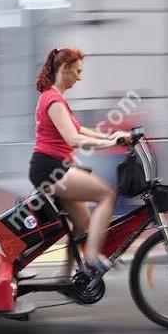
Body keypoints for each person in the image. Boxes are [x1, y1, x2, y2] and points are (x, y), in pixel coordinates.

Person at [29, 47, 130, 275]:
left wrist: (110, 137)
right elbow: (73, 138)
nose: (80, 77)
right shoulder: (53, 100)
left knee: (82, 223)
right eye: (77, 71)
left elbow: (80, 129)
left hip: (53, 167)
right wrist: (111, 144)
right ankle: (92, 257)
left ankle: (64, 276)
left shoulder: (54, 98)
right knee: (106, 195)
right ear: (64, 69)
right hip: (50, 169)